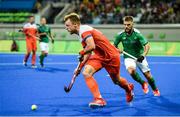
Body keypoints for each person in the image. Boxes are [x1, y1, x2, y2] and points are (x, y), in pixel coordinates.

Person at [64, 13, 134, 108]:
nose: (66, 28)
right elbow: (88, 52)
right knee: (86, 73)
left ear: (75, 24)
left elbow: (91, 46)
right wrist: (79, 68)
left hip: (111, 56)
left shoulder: (84, 30)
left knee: (116, 81)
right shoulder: (81, 34)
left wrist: (81, 52)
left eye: (67, 25)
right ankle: (99, 99)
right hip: (99, 56)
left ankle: (128, 89)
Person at [114, 16, 160, 96]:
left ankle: (155, 89)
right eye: (124, 24)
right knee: (131, 71)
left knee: (148, 76)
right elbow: (114, 46)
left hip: (139, 56)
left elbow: (147, 45)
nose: (126, 26)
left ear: (132, 24)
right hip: (128, 57)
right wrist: (117, 50)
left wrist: (143, 55)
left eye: (128, 25)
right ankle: (143, 83)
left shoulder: (138, 34)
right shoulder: (120, 35)